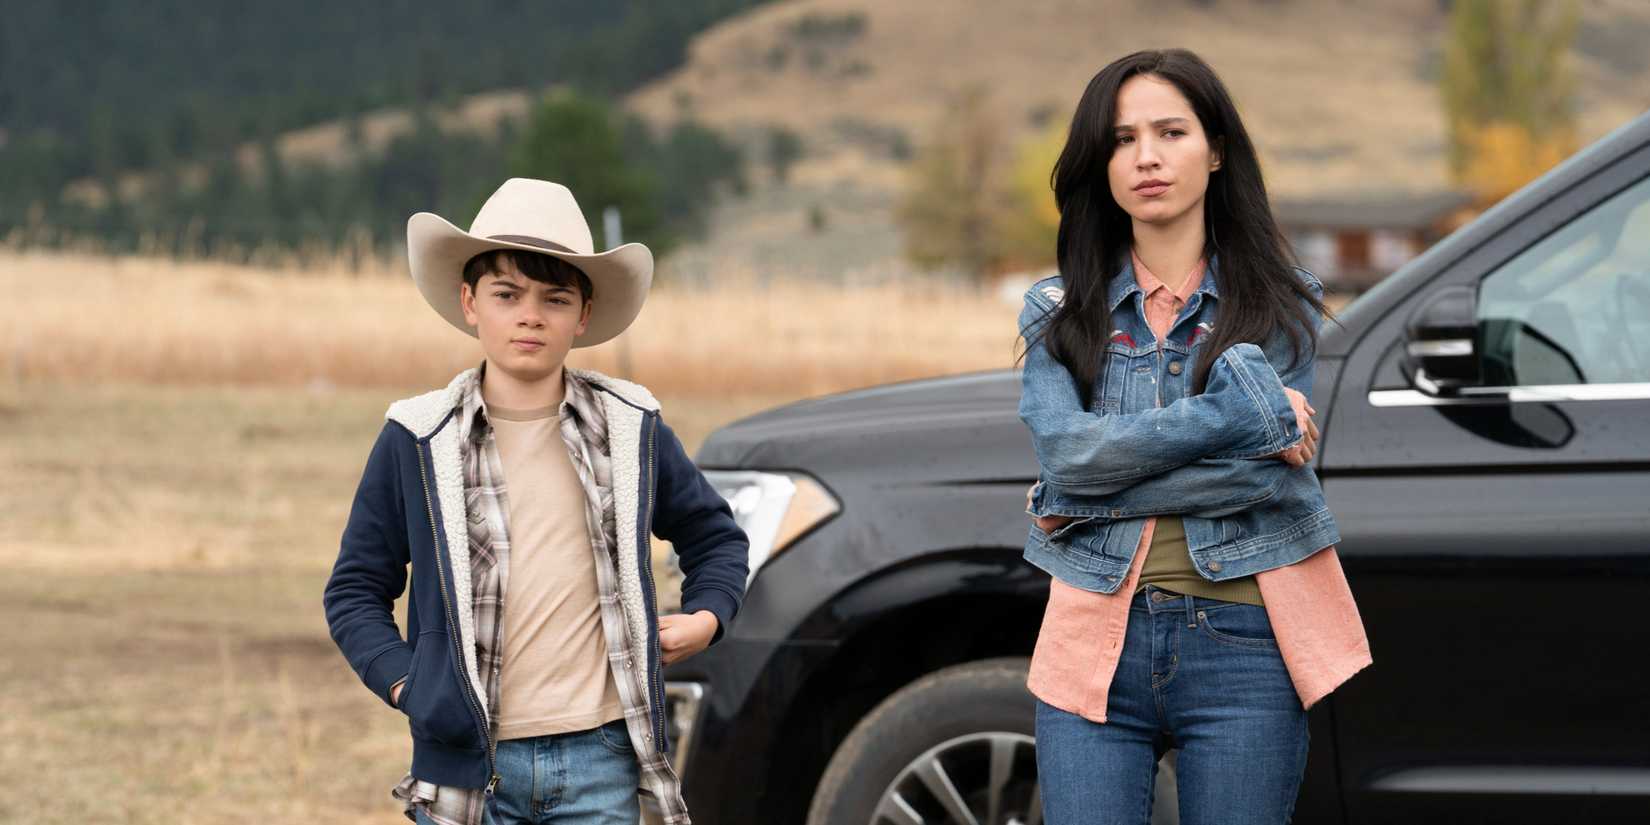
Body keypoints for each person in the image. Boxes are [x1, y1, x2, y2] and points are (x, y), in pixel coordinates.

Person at [323, 178, 749, 825]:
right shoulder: (417, 438)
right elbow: (355, 589)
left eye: (554, 298)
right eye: (507, 294)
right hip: (466, 764)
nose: (530, 315)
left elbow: (716, 537)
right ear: (470, 302)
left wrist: (707, 616)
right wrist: (413, 685)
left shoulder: (630, 426)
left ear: (581, 315)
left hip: (602, 753)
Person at [1017, 50, 1371, 824]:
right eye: (1121, 139)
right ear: (1099, 165)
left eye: (1171, 132)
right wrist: (1238, 416)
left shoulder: (1283, 301)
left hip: (1245, 636)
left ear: (1215, 151)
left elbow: (1263, 482)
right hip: (1093, 639)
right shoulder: (1055, 311)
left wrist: (1091, 491)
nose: (1145, 156)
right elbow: (1068, 458)